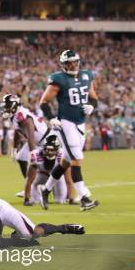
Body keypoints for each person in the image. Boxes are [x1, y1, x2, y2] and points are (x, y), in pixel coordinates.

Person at [38, 50, 99, 211]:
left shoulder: (87, 75)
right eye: (69, 63)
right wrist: (51, 118)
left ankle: (45, 190)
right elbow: (43, 102)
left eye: (74, 62)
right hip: (65, 123)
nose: (72, 65)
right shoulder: (58, 79)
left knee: (65, 161)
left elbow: (93, 97)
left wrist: (92, 106)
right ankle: (84, 198)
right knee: (77, 157)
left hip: (80, 123)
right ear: (64, 65)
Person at [24, 135, 67, 206]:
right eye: (46, 149)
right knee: (35, 201)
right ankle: (40, 194)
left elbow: (68, 178)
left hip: (57, 178)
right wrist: (26, 199)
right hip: (42, 175)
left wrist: (71, 197)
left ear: (57, 150)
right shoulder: (35, 155)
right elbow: (29, 179)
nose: (49, 152)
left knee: (60, 201)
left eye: (52, 150)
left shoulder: (63, 155)